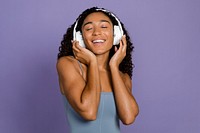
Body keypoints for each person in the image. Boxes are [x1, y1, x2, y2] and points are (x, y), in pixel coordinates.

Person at [56, 7, 139, 133]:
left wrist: (114, 67)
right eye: (89, 28)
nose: (96, 32)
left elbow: (128, 118)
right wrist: (92, 62)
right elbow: (89, 112)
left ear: (115, 34)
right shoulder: (68, 65)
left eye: (104, 27)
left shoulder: (122, 76)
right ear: (80, 37)